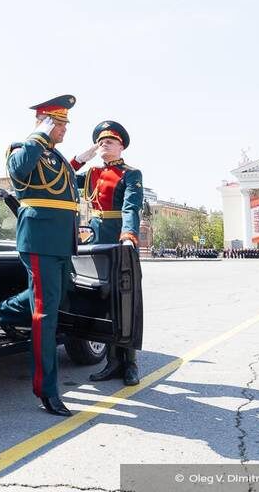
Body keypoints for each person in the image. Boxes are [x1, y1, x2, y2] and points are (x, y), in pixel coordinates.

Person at [0, 94, 79, 417]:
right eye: (58, 123)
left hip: (61, 242)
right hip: (40, 240)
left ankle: (4, 311)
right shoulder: (24, 148)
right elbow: (18, 173)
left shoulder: (55, 157)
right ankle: (46, 390)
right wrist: (39, 134)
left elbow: (69, 190)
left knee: (54, 301)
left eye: (63, 124)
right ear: (44, 121)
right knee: (45, 316)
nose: (63, 130)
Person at [70, 120, 144, 386]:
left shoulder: (131, 174)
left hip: (119, 240)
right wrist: (81, 158)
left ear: (121, 146)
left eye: (109, 141)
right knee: (104, 301)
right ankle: (112, 362)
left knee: (127, 300)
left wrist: (128, 238)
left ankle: (130, 363)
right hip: (98, 239)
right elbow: (62, 176)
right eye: (100, 142)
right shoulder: (91, 174)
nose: (104, 145)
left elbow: (131, 208)